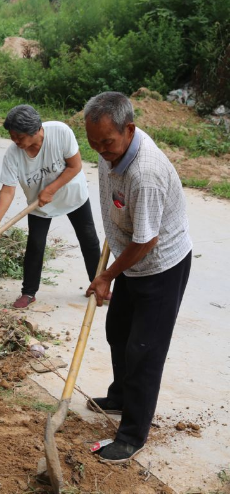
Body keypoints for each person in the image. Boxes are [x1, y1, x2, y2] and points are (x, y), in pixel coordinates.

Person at [84, 91, 192, 464]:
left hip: (160, 265)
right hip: (131, 257)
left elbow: (146, 240)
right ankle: (120, 398)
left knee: (144, 351)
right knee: (118, 331)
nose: (100, 150)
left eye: (107, 143)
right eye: (93, 142)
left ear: (129, 130)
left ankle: (132, 436)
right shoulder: (109, 149)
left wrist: (106, 277)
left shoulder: (145, 172)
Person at [0, 105, 101, 309]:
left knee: (89, 239)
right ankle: (28, 292)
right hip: (40, 206)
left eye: (19, 137)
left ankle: (99, 286)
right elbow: (8, 191)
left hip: (73, 195)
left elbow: (76, 166)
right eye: (12, 137)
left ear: (36, 130)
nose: (16, 141)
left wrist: (51, 189)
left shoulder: (60, 132)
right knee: (36, 245)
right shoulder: (13, 154)